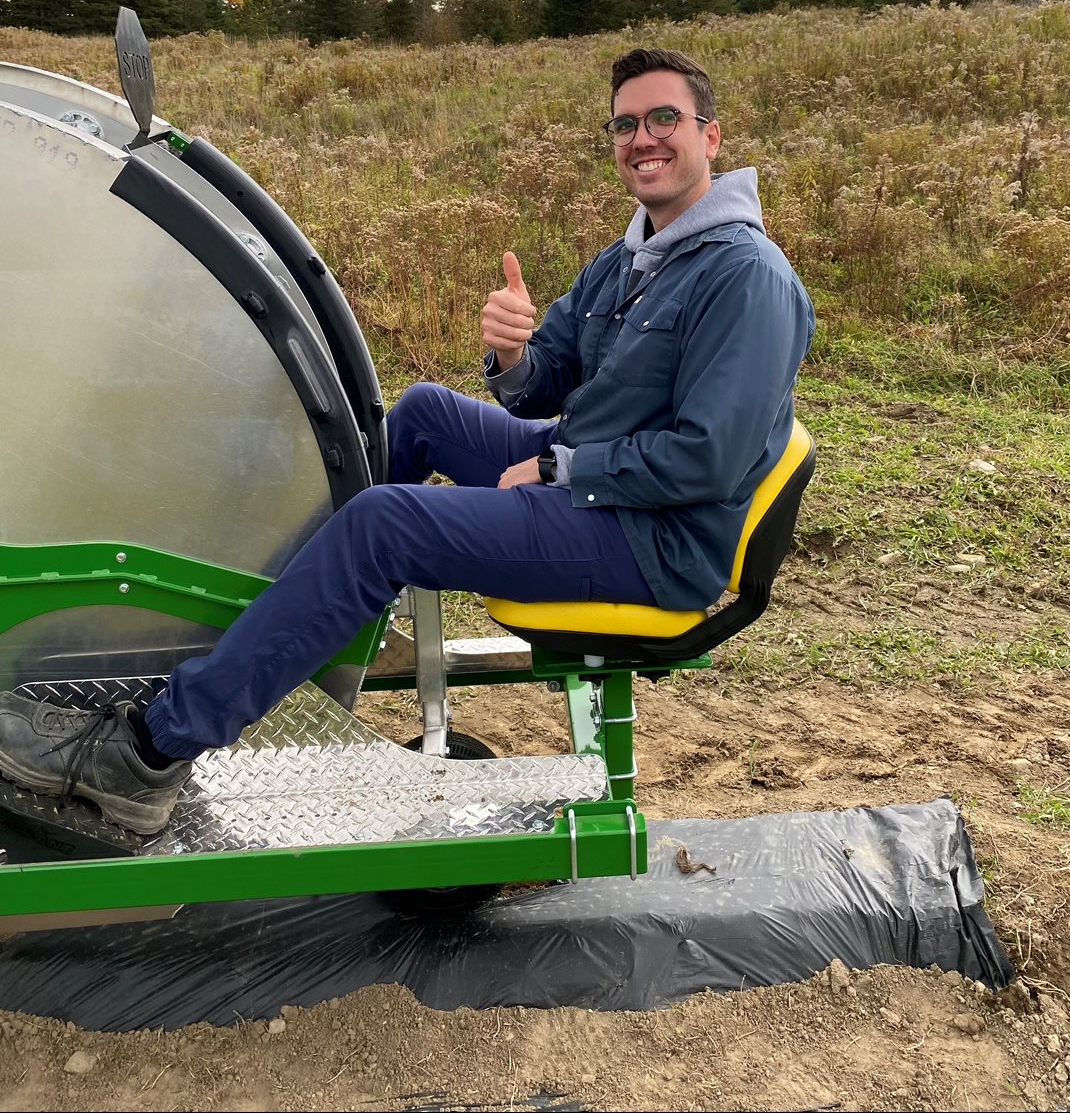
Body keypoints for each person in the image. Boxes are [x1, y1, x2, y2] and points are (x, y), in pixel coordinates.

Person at [0, 48, 815, 835]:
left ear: (709, 135)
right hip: (594, 482)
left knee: (383, 524)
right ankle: (289, 620)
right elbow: (549, 375)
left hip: (651, 537)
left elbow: (710, 458)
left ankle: (145, 758)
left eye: (664, 118)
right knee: (424, 410)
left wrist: (561, 465)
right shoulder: (637, 254)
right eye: (624, 124)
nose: (642, 138)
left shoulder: (746, 277)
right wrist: (512, 353)